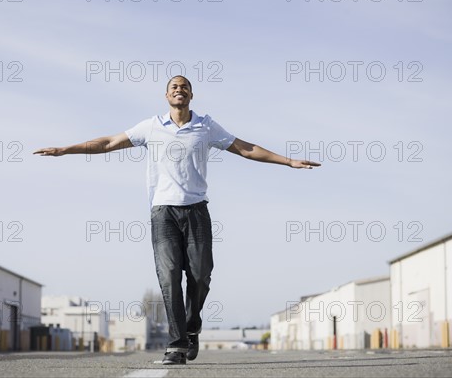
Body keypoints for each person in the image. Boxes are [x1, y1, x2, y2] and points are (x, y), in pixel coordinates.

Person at [34, 76, 321, 364]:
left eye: (184, 86)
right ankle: (176, 345)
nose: (179, 90)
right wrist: (64, 149)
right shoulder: (151, 127)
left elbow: (246, 148)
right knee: (169, 278)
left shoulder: (206, 126)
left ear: (191, 95)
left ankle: (192, 326)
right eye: (174, 86)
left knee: (200, 274)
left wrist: (289, 161)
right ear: (166, 95)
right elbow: (108, 143)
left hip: (196, 210)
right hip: (163, 213)